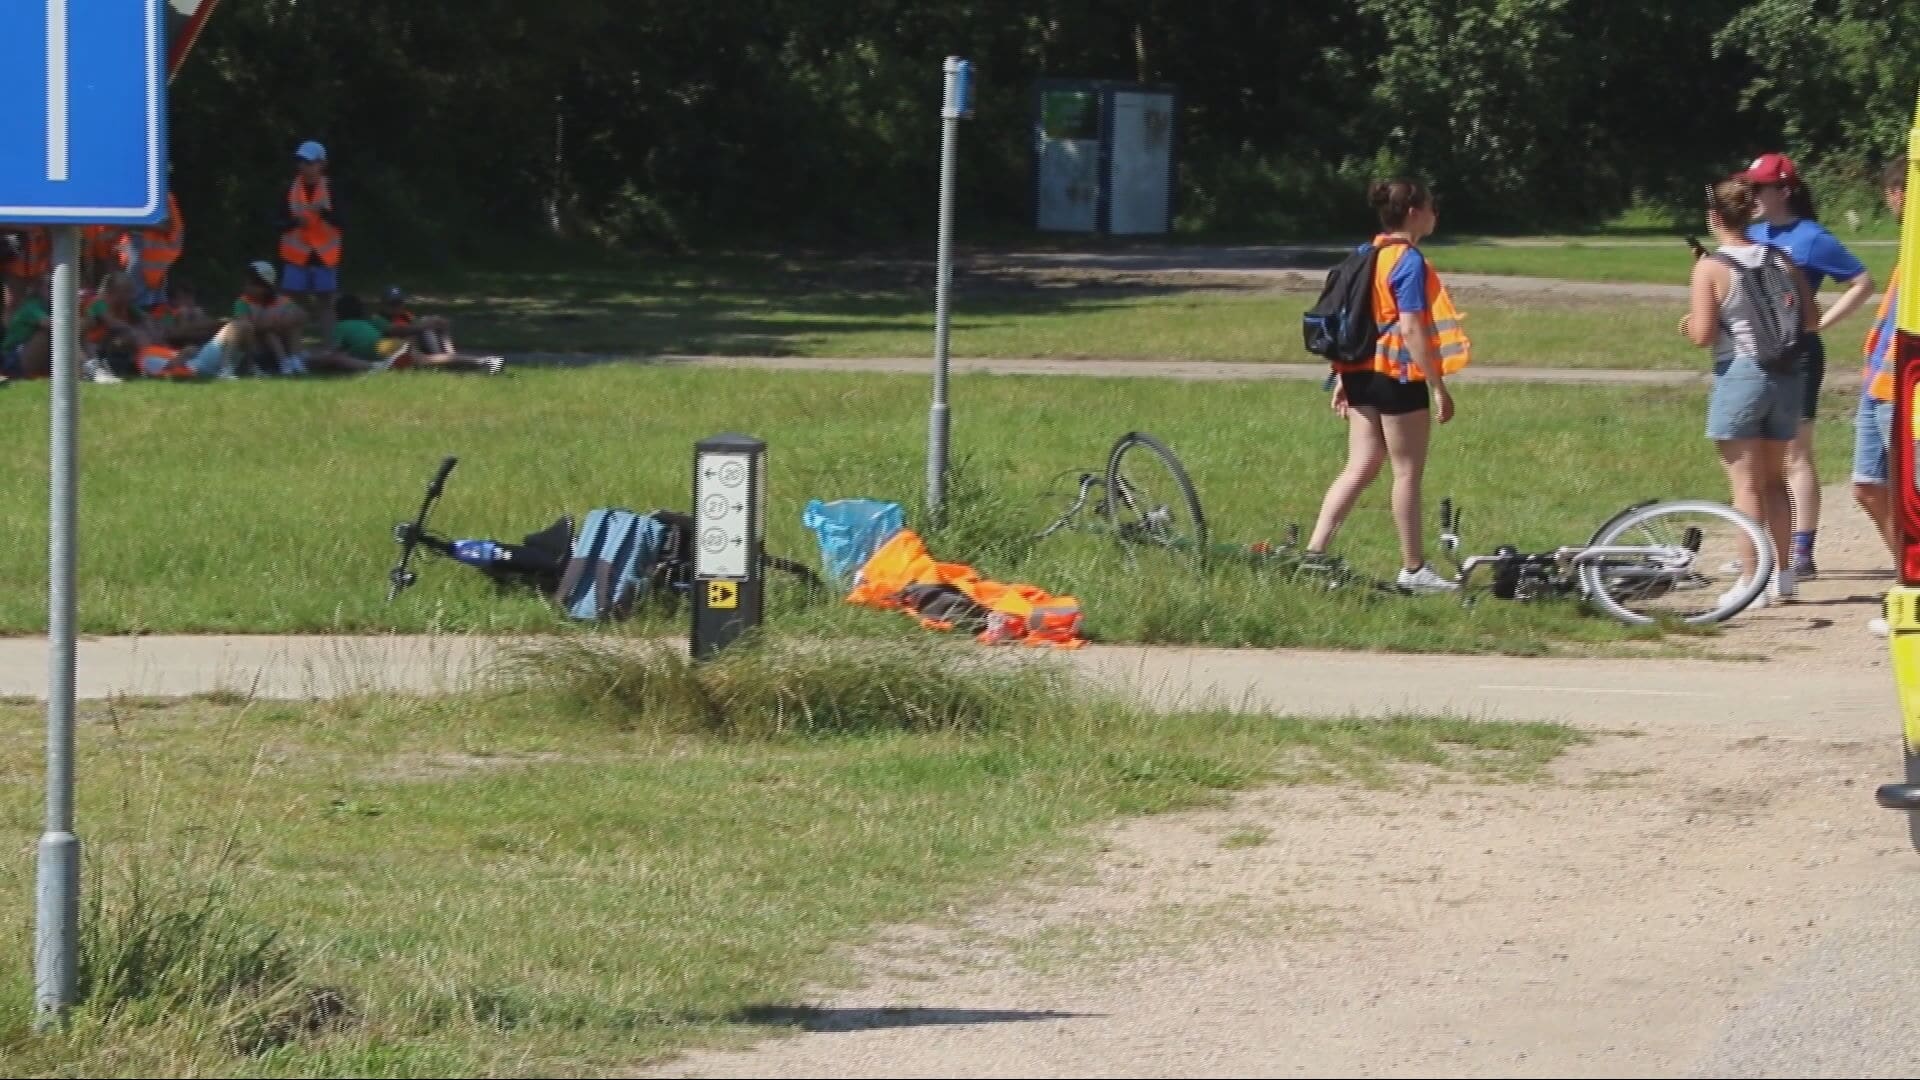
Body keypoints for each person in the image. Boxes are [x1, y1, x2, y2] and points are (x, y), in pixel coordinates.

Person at [1303, 177, 1469, 594]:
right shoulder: (1408, 261)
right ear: (1413, 213)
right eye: (1431, 207)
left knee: (1360, 466)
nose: (1435, 214)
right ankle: (1414, 569)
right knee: (1406, 472)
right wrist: (1437, 385)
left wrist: (1341, 375)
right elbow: (1411, 328)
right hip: (1396, 375)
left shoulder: (1365, 255)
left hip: (1358, 373)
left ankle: (1314, 554)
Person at [1682, 176, 1816, 609]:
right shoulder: (1783, 259)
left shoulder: (1711, 267)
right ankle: (1783, 575)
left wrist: (1688, 323)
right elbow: (1810, 320)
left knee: (1745, 487)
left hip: (1741, 375)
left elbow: (1703, 335)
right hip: (1787, 376)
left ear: (1715, 218)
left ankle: (1749, 582)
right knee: (1777, 480)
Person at [1743, 152, 1877, 579]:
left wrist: (1820, 323)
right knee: (1758, 454)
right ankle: (1763, 546)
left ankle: (1802, 551)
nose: (1751, 195)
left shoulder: (1812, 237)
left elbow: (1861, 282)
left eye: (1758, 187)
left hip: (1798, 354)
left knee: (1795, 455)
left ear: (1784, 190)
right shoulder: (1752, 231)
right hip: (1758, 352)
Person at [279, 140, 343, 348]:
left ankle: (331, 348)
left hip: (324, 257)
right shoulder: (289, 189)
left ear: (321, 164)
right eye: (300, 161)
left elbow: (344, 221)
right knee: (292, 304)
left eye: (308, 162)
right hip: (296, 257)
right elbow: (276, 221)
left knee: (326, 304)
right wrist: (294, 222)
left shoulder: (332, 189)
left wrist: (324, 212)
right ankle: (293, 350)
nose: (302, 166)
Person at [233, 260, 308, 375]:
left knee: (293, 326)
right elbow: (244, 325)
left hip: (282, 340)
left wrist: (287, 320)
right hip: (257, 346)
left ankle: (295, 360)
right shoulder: (242, 302)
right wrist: (269, 325)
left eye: (251, 284)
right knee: (269, 333)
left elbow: (301, 315)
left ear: (266, 287)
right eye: (246, 283)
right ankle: (283, 363)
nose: (246, 287)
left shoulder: (280, 300)